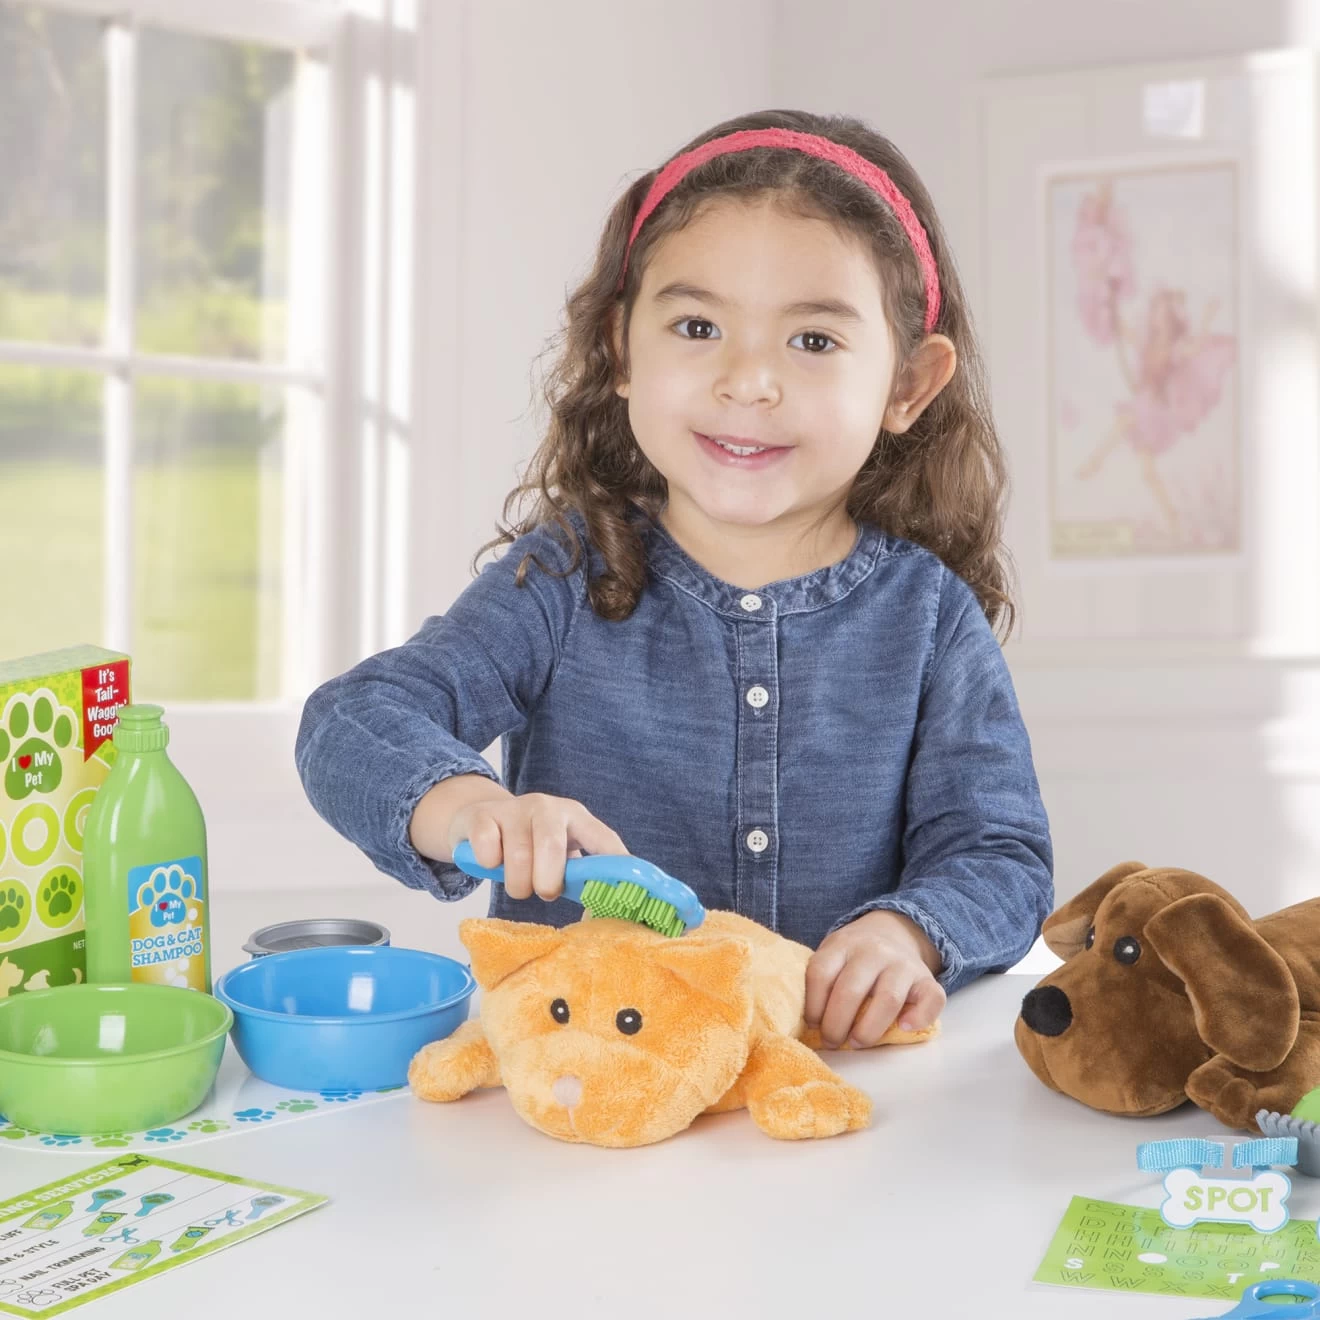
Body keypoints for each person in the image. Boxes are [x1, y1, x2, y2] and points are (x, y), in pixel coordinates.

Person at [296, 108, 1053, 1053]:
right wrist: (475, 808)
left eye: (813, 341)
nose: (748, 381)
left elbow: (1000, 855)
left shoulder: (929, 618)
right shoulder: (561, 581)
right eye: (698, 326)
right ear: (621, 349)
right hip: (583, 1090)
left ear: (907, 384)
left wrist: (908, 934)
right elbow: (351, 722)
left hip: (829, 1091)